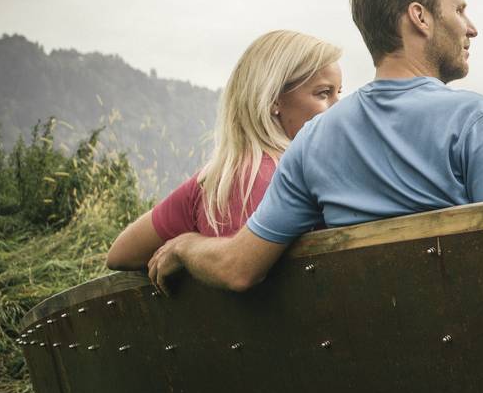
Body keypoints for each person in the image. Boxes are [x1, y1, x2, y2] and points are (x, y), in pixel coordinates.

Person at [147, 0, 483, 293]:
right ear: (419, 17)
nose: (471, 27)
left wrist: (185, 245)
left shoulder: (313, 141)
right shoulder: (478, 122)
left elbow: (239, 269)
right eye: (459, 10)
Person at [106, 30, 343, 269]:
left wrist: (189, 245)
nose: (337, 107)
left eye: (338, 93)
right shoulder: (300, 177)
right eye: (323, 93)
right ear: (273, 100)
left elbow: (120, 254)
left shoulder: (208, 182)